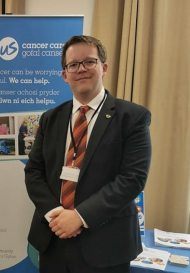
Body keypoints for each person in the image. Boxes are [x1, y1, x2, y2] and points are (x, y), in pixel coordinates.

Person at [24, 35, 152, 272]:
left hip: (106, 244)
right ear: (65, 75)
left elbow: (132, 179)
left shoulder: (132, 117)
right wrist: (56, 214)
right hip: (54, 237)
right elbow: (34, 171)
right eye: (73, 65)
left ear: (103, 68)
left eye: (89, 62)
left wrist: (80, 216)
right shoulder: (50, 118)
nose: (81, 69)